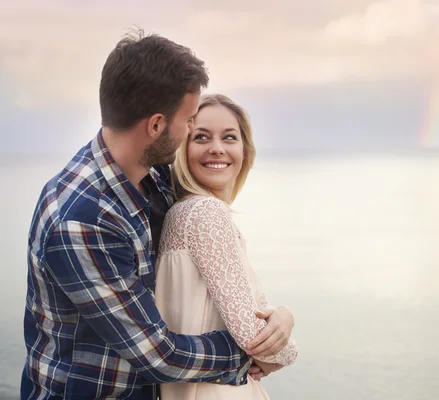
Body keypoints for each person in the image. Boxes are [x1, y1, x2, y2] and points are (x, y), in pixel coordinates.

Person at [20, 31, 292, 400]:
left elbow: (213, 269)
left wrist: (275, 317)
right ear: (156, 125)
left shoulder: (156, 179)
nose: (192, 131)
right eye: (189, 121)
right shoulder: (81, 220)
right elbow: (156, 354)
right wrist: (254, 352)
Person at [154, 94, 299, 399]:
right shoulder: (206, 213)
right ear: (182, 147)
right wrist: (287, 346)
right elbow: (254, 340)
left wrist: (279, 313)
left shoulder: (180, 214)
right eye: (201, 137)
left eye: (229, 137)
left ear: (245, 150)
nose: (217, 148)